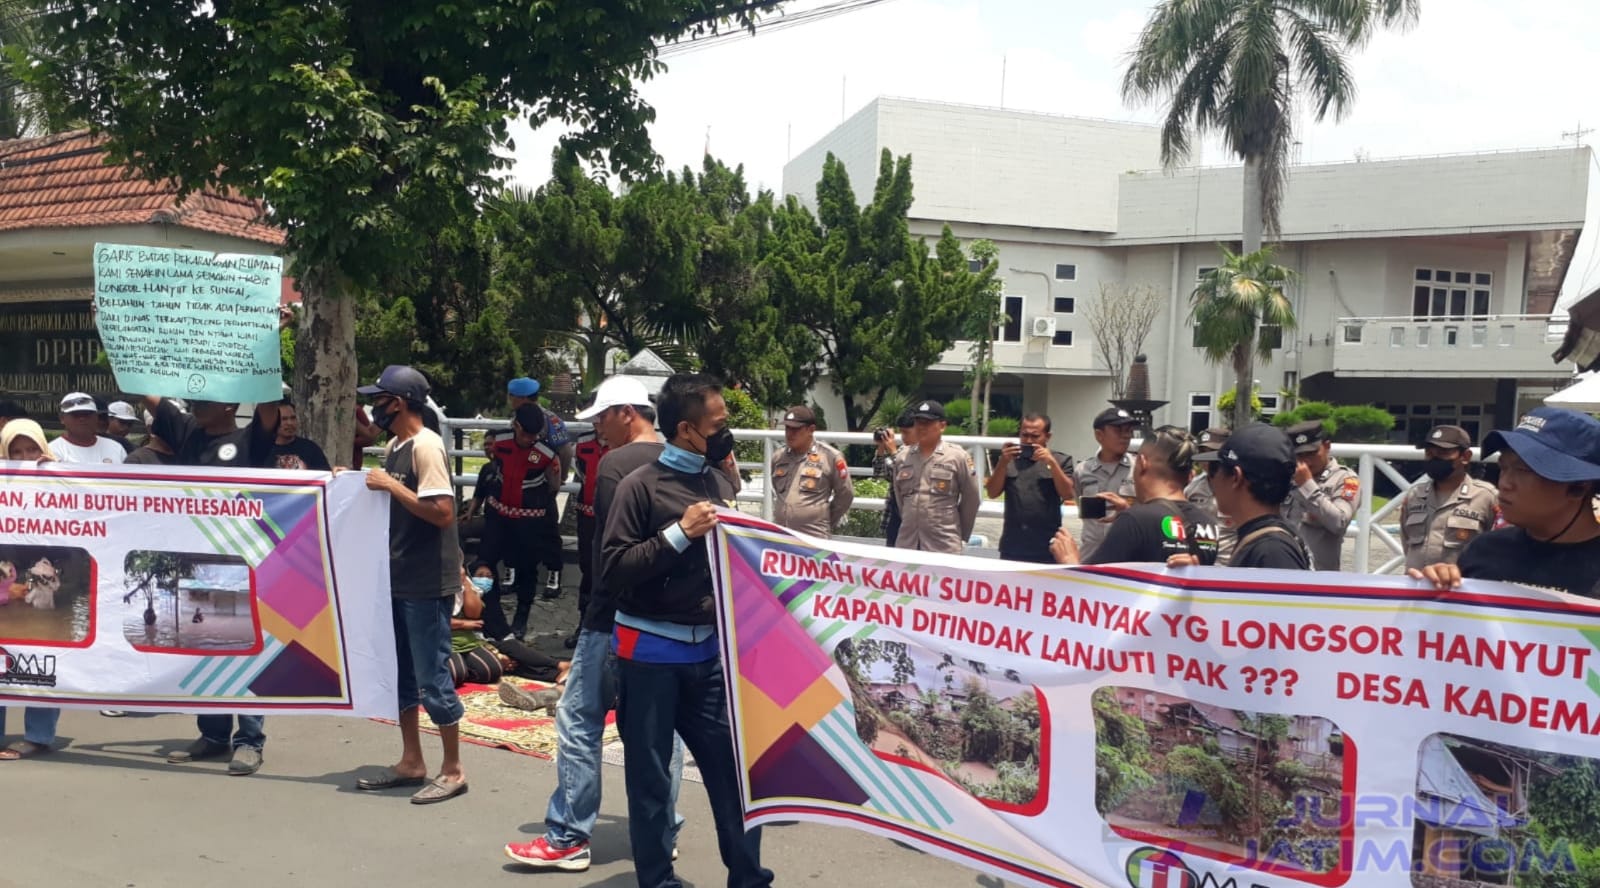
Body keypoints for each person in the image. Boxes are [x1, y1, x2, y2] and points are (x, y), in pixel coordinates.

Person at [507, 374, 688, 872]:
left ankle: (568, 834)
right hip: (667, 619)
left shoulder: (616, 465)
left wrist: (591, 620)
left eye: (603, 418)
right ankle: (661, 829)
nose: (598, 429)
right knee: (658, 731)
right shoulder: (686, 463)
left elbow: (611, 551)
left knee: (580, 719)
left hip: (612, 613)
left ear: (627, 413)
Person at [599, 372, 772, 888]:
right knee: (651, 781)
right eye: (717, 424)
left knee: (734, 777)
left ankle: (748, 878)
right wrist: (678, 534)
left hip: (710, 660)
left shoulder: (718, 482)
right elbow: (612, 569)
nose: (725, 432)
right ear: (685, 429)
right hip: (648, 655)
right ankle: (658, 881)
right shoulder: (640, 486)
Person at [352, 364, 469, 804]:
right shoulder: (396, 445)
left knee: (432, 676)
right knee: (401, 675)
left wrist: (389, 486)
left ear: (397, 403)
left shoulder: (426, 446)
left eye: (379, 400)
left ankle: (453, 768)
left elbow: (441, 512)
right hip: (398, 577)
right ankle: (412, 759)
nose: (374, 408)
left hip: (425, 580)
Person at [148, 393, 280, 774]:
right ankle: (213, 735)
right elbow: (147, 386)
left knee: (243, 650)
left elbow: (268, 404)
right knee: (204, 646)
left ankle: (250, 740)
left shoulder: (250, 439)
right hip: (193, 563)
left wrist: (262, 345)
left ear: (227, 405)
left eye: (203, 401)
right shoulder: (189, 430)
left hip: (240, 564)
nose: (194, 407)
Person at [1411, 408, 1600, 598]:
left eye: (1522, 470)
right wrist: (1434, 589)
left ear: (1579, 486)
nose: (1504, 483)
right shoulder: (1484, 550)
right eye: (1503, 467)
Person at [1050, 426, 1218, 567]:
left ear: (1142, 463)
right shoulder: (1208, 526)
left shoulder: (1134, 521)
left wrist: (1069, 561)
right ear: (1190, 474)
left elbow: (1096, 587)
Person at [0, 419, 60, 761]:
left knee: (45, 660)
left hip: (41, 576)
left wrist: (60, 476)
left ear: (43, 448)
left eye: (31, 449)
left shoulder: (65, 480)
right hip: (7, 577)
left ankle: (38, 736)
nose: (24, 457)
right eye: (15, 451)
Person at [1172, 424, 1310, 570]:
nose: (1211, 479)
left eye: (1214, 469)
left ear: (1236, 478)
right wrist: (1202, 579)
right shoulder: (1265, 540)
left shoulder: (1271, 550)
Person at [481, 403, 567, 639]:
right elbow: (491, 462)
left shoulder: (547, 454)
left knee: (528, 569)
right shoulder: (500, 441)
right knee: (486, 563)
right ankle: (491, 615)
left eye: (535, 435)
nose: (530, 439)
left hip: (529, 521)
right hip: (498, 516)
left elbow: (554, 486)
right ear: (516, 426)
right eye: (526, 433)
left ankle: (521, 617)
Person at [1399, 424, 1498, 570]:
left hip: (1461, 588)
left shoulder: (1486, 497)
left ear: (1465, 457)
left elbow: (1497, 548)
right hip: (1417, 586)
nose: (1434, 458)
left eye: (1443, 453)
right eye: (1429, 453)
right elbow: (1406, 542)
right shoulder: (1414, 495)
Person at [891, 400, 980, 554]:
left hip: (943, 544)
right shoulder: (902, 457)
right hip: (909, 543)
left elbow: (971, 499)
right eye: (918, 422)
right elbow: (900, 499)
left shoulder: (957, 457)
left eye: (927, 422)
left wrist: (960, 535)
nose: (921, 427)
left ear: (942, 426)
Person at [988, 412, 1074, 563]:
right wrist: (1002, 463)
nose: (1028, 441)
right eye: (1024, 435)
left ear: (1047, 437)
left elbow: (1068, 494)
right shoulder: (1009, 460)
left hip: (1047, 545)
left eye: (1035, 436)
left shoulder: (1060, 460)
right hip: (1013, 544)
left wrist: (1052, 464)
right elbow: (992, 493)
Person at [1282, 419, 1358, 571]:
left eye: (1312, 453)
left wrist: (1307, 485)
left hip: (1319, 576)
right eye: (1300, 455)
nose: (1307, 461)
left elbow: (1339, 522)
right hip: (1284, 569)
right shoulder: (1286, 477)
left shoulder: (1346, 479)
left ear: (1327, 446)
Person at [770, 405, 854, 537]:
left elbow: (845, 495)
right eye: (787, 428)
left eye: (796, 429)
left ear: (811, 430)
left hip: (814, 535)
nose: (790, 433)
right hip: (782, 537)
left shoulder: (830, 456)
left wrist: (823, 519)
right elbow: (777, 489)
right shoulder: (778, 457)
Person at [1072, 408, 1139, 561]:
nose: (1126, 436)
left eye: (1129, 430)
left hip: (1128, 557)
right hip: (1091, 556)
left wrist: (1127, 510)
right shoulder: (1082, 471)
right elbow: (1080, 505)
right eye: (1118, 430)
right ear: (1099, 435)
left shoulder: (1140, 469)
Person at [1184, 428, 1238, 564]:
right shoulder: (1193, 488)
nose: (1206, 459)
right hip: (1201, 562)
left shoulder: (1239, 486)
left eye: (1211, 452)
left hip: (1231, 564)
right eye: (1202, 452)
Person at [872, 411, 916, 545]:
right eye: (901, 432)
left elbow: (903, 478)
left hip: (912, 515)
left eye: (906, 433)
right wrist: (881, 447)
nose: (903, 437)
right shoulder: (901, 450)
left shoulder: (922, 454)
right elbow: (878, 474)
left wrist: (893, 453)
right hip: (894, 513)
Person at [52, 392, 126, 465]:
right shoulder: (52, 452)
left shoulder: (115, 448)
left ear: (96, 417)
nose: (82, 418)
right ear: (62, 418)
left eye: (87, 414)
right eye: (76, 415)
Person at [269, 399, 332, 471]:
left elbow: (326, 476)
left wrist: (340, 474)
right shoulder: (263, 452)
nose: (290, 423)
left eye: (293, 418)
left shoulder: (311, 449)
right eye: (284, 419)